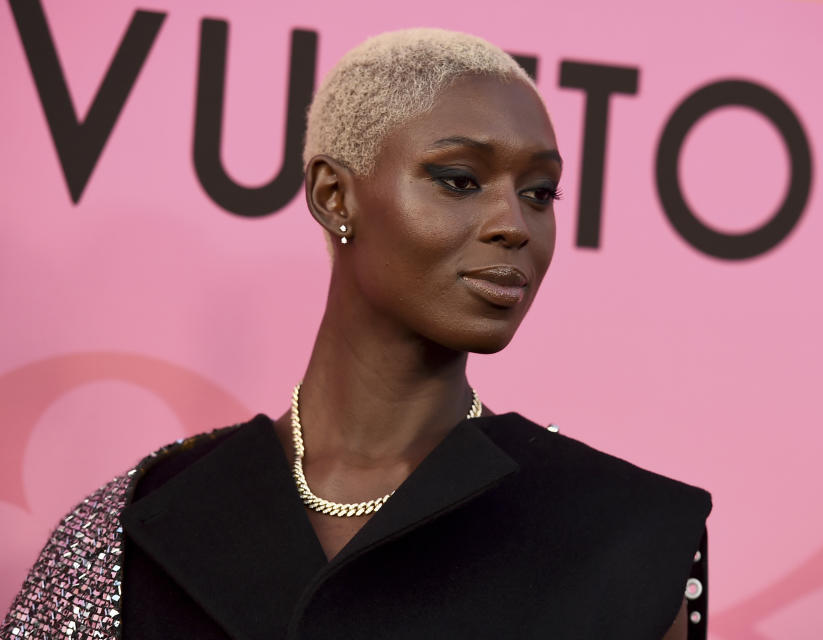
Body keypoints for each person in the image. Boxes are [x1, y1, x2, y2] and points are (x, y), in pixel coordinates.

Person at [1, 28, 711, 639]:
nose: (514, 226)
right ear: (333, 195)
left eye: (540, 193)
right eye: (461, 179)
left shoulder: (624, 533)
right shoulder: (135, 525)